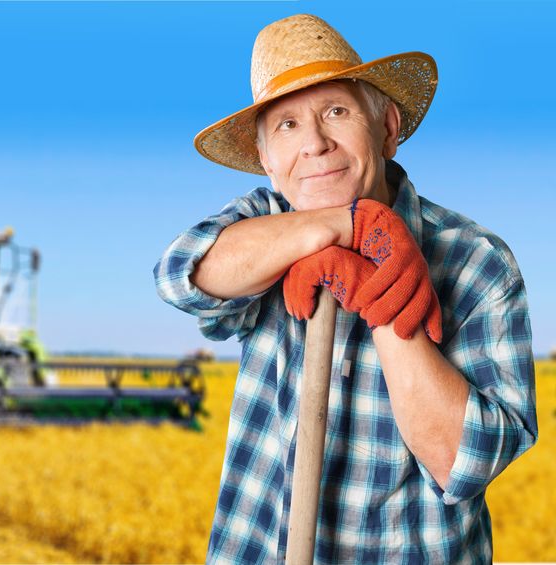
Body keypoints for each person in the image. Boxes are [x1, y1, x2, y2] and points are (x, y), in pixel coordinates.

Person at [153, 14, 537, 564]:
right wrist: (342, 228)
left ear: (387, 129)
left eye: (336, 111)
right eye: (286, 125)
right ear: (266, 161)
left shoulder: (476, 260)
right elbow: (179, 277)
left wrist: (381, 302)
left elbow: (462, 461)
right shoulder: (264, 221)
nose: (314, 144)